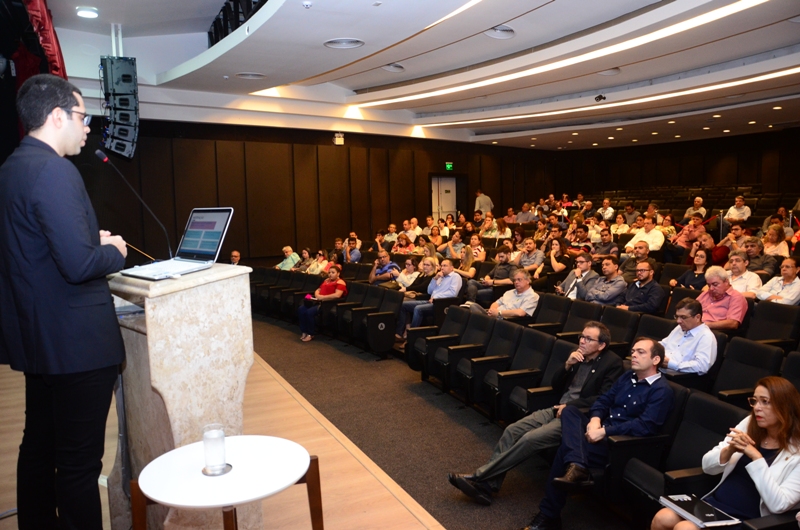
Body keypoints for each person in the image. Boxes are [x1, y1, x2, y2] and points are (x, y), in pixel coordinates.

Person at [0, 74, 128, 529]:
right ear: (57, 117)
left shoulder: (13, 167)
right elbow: (77, 266)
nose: (87, 127)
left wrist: (82, 241)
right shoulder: (55, 169)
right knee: (77, 465)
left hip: (40, 339)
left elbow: (34, 250)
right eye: (81, 116)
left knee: (38, 447)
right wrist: (112, 251)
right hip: (76, 345)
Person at [448, 321, 623, 505]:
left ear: (601, 345)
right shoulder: (577, 357)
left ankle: (478, 478)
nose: (582, 341)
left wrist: (572, 405)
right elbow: (556, 385)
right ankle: (489, 484)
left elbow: (604, 398)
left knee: (529, 439)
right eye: (581, 336)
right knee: (512, 431)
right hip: (556, 408)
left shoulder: (612, 363)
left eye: (588, 339)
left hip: (576, 416)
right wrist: (567, 365)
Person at [521, 338, 672, 530]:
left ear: (656, 359)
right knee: (570, 411)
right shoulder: (627, 377)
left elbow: (645, 426)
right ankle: (577, 464)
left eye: (641, 352)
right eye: (633, 351)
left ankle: (548, 515)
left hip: (620, 444)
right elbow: (603, 400)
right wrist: (594, 420)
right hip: (598, 430)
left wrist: (604, 431)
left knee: (564, 452)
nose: (633, 355)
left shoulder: (661, 390)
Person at [652, 376, 800, 530]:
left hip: (750, 521)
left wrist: (756, 457)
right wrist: (729, 450)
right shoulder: (750, 423)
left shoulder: (797, 452)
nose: (757, 407)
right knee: (663, 517)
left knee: (685, 528)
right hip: (717, 506)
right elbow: (707, 466)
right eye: (755, 401)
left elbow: (779, 505)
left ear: (785, 406)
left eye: (765, 402)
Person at [659, 298, 717, 374]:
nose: (678, 321)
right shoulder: (679, 328)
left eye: (683, 317)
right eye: (677, 316)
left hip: (679, 378)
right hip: (659, 370)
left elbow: (702, 366)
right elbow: (663, 344)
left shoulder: (706, 337)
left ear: (697, 317)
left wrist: (671, 364)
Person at [403, 259, 462, 329]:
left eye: (445, 266)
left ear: (452, 268)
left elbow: (453, 293)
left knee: (418, 308)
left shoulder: (455, 277)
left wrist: (435, 297)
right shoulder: (440, 276)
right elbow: (429, 291)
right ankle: (400, 332)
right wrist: (435, 279)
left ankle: (411, 333)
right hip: (431, 301)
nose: (442, 268)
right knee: (403, 305)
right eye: (441, 266)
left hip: (441, 304)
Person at [298, 265, 347, 342]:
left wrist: (322, 297)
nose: (330, 274)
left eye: (333, 272)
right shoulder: (326, 280)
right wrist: (317, 295)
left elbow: (337, 295)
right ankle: (304, 331)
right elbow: (318, 290)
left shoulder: (340, 282)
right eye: (329, 272)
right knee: (301, 309)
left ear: (338, 274)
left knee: (309, 312)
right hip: (318, 300)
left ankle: (311, 334)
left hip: (327, 304)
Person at [697, 266, 748, 330]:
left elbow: (733, 323)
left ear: (726, 282)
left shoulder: (736, 297)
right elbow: (691, 309)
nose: (711, 288)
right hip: (695, 327)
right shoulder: (706, 293)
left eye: (715, 284)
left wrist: (703, 325)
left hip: (712, 331)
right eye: (709, 285)